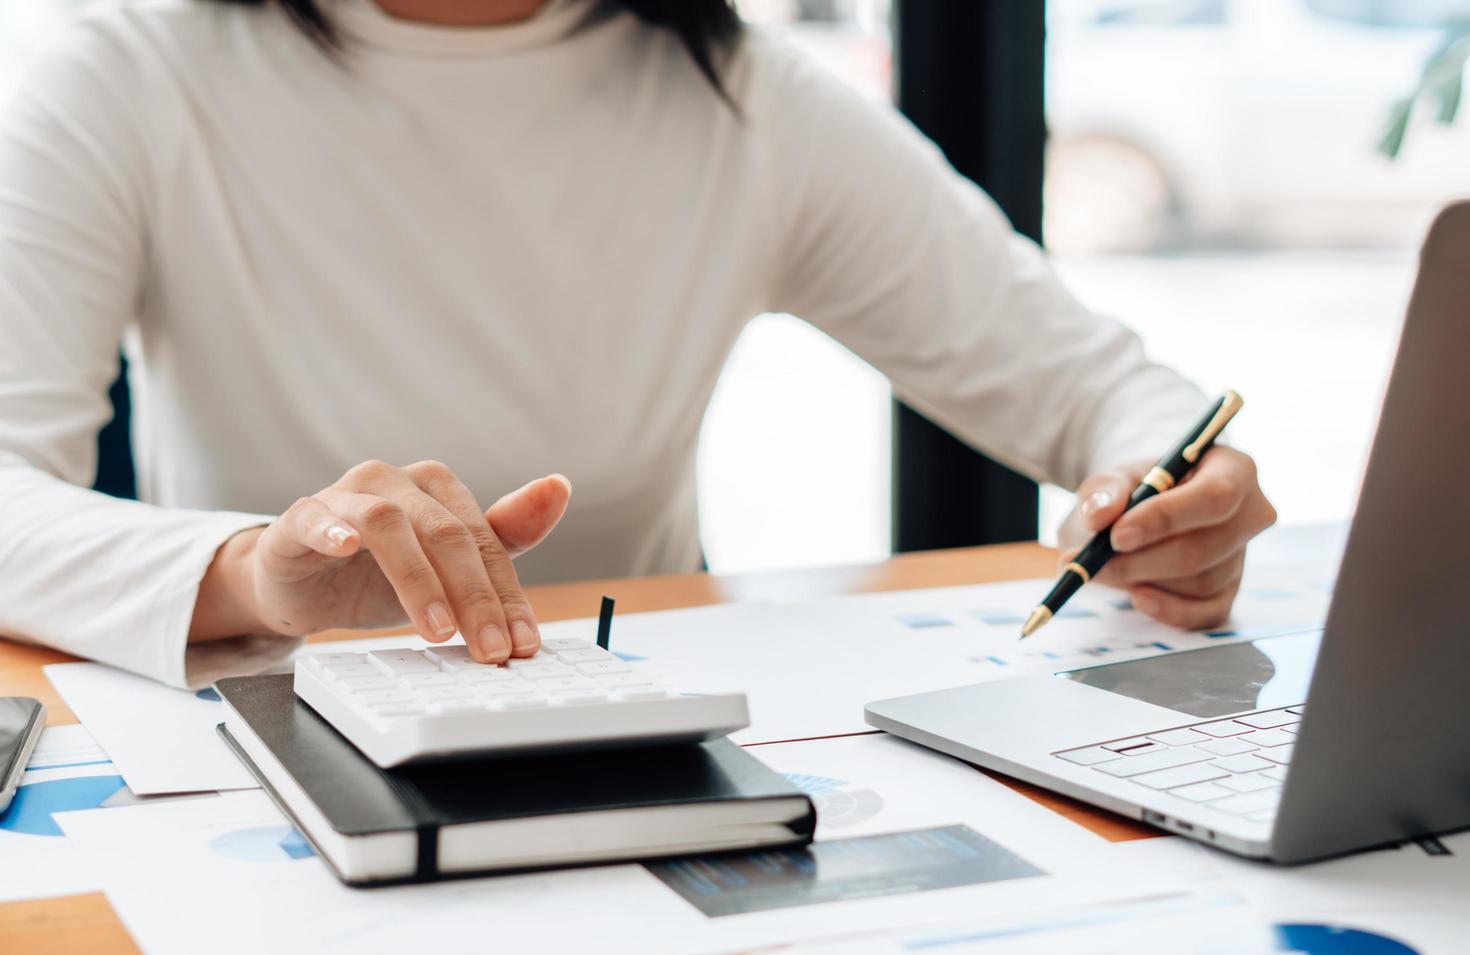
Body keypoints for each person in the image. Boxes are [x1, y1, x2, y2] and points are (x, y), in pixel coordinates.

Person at [0, 0, 1276, 688]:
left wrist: (1173, 492)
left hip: (652, 740)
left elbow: (1098, 388)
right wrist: (254, 575)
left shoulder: (742, 93)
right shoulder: (128, 69)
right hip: (272, 740)